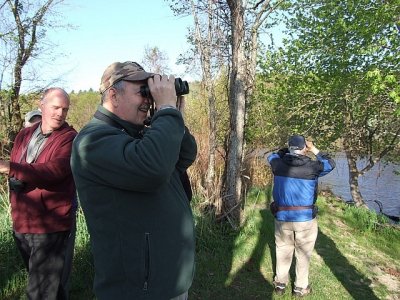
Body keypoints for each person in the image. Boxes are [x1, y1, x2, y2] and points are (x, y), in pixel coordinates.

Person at [71, 61, 197, 300]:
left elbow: (184, 158)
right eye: (142, 91)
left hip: (166, 279)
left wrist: (174, 118)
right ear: (113, 95)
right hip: (139, 289)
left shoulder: (135, 135)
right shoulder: (93, 141)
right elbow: (154, 170)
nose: (149, 100)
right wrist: (166, 110)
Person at [0, 87, 77, 299]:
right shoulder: (25, 134)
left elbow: (54, 171)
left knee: (40, 290)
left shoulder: (69, 138)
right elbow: (18, 168)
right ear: (41, 105)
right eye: (55, 107)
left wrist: (10, 167)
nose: (60, 114)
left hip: (50, 225)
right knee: (50, 287)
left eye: (65, 109)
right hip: (22, 222)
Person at [267, 135, 335, 297]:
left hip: (282, 217)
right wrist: (313, 149)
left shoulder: (277, 164)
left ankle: (280, 285)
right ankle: (300, 288)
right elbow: (330, 163)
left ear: (290, 147)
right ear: (304, 147)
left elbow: (274, 155)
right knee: (303, 254)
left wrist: (287, 149)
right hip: (305, 219)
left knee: (282, 250)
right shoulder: (313, 167)